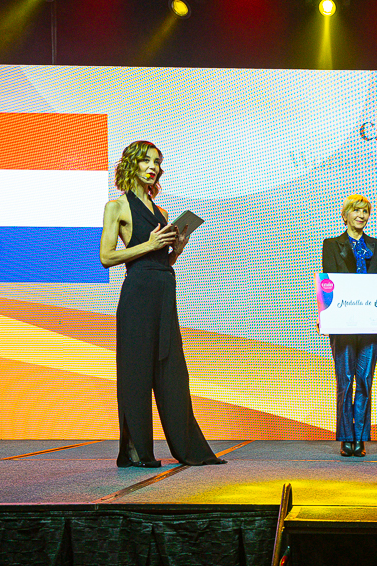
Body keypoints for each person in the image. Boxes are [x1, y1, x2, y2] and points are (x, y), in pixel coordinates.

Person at [100, 140, 226, 468]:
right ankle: (136, 451)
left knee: (172, 371)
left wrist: (177, 249)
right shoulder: (117, 207)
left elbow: (161, 261)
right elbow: (106, 257)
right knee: (136, 371)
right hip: (137, 295)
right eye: (146, 160)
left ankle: (189, 448)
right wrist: (150, 243)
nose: (153, 167)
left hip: (163, 292)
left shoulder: (163, 213)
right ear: (132, 165)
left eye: (157, 162)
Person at [321, 194, 377, 458]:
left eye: (365, 211)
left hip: (371, 322)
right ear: (345, 215)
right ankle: (345, 437)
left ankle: (360, 438)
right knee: (345, 380)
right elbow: (329, 282)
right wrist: (325, 313)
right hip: (343, 321)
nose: (361, 215)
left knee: (364, 379)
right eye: (356, 211)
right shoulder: (331, 244)